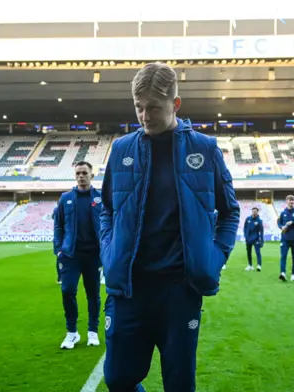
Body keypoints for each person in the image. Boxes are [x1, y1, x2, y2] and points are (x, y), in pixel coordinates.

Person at [100, 62, 240, 392]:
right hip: (130, 288)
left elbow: (230, 212)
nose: (145, 116)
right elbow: (106, 209)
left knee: (178, 384)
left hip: (180, 290)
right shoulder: (121, 150)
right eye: (139, 107)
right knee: (118, 378)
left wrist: (213, 258)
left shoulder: (204, 149)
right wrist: (110, 252)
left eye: (153, 108)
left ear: (175, 105)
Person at [53, 161, 102, 349]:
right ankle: (72, 333)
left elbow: (107, 223)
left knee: (93, 294)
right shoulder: (65, 198)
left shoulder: (100, 198)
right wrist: (58, 249)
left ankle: (92, 331)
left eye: (84, 173)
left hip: (93, 255)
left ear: (92, 175)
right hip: (70, 255)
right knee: (67, 291)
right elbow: (58, 225)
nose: (81, 176)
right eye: (78, 173)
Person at [277, 194, 294, 282]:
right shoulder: (283, 213)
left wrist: (293, 222)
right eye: (289, 200)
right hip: (285, 238)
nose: (291, 201)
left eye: (292, 200)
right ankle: (282, 273)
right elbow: (279, 223)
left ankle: (293, 274)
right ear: (286, 201)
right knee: (283, 256)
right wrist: (281, 227)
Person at [243, 207, 264, 271]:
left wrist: (262, 241)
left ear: (257, 212)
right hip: (248, 239)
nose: (254, 212)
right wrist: (245, 236)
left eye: (255, 211)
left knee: (258, 252)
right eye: (253, 211)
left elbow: (261, 231)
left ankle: (259, 265)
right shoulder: (248, 219)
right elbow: (245, 228)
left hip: (256, 239)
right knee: (249, 253)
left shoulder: (259, 221)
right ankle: (250, 265)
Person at [52, 206, 61, 285]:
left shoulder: (56, 211)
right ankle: (61, 277)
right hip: (60, 238)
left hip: (58, 238)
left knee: (59, 258)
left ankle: (60, 277)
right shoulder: (58, 210)